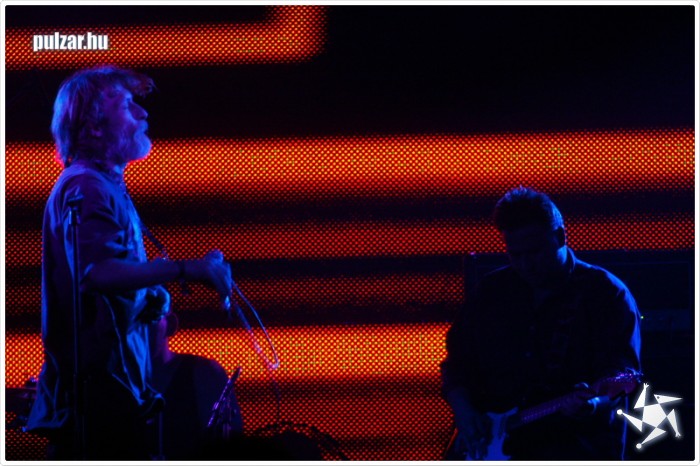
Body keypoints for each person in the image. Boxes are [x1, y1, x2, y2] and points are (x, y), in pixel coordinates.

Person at [26, 65, 234, 460]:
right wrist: (187, 269)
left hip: (115, 394)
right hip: (97, 401)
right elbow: (96, 273)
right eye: (126, 105)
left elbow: (105, 280)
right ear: (93, 126)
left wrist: (147, 296)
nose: (143, 113)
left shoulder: (103, 186)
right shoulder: (86, 186)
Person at [440, 187, 642, 460]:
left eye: (535, 252)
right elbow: (456, 365)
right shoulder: (491, 291)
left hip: (574, 450)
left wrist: (592, 403)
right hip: (490, 447)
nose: (526, 264)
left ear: (560, 237)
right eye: (515, 254)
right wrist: (465, 413)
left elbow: (623, 375)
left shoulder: (606, 293)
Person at [148, 310, 244, 459]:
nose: (135, 330)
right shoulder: (114, 381)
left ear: (170, 324)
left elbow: (229, 447)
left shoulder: (204, 372)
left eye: (146, 319)